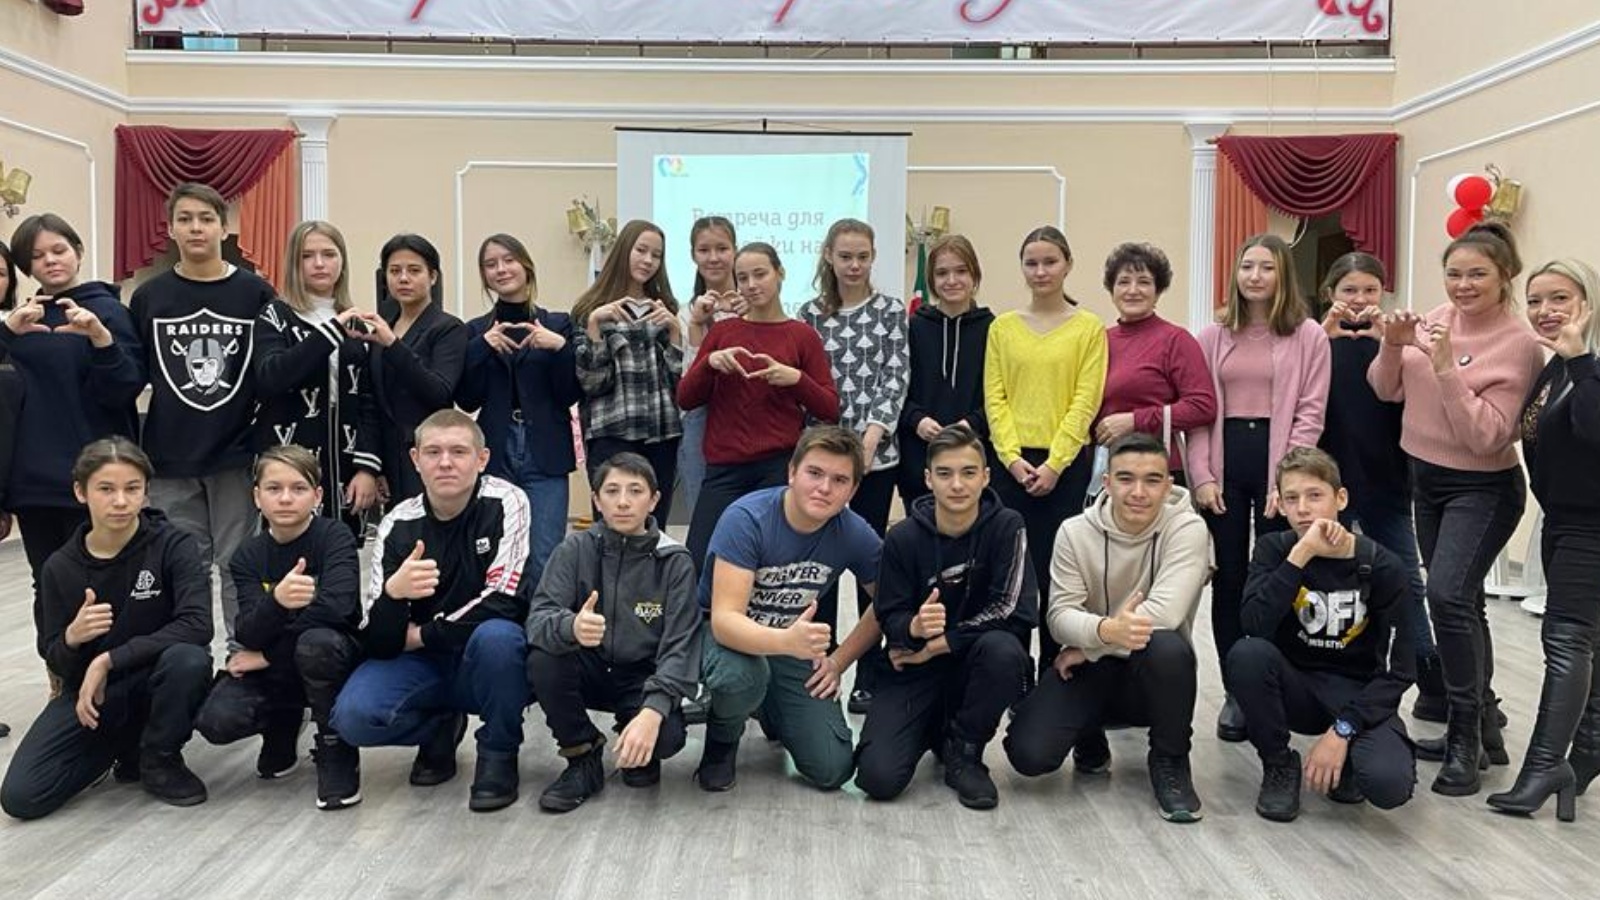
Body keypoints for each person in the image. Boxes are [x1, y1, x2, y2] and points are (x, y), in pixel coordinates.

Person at [1370, 221, 1543, 795]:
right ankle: (1485, 723)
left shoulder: (1519, 344)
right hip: (1426, 479)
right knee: (1464, 602)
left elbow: (1486, 436)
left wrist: (1446, 365)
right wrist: (1394, 345)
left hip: (1483, 488)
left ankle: (1464, 734)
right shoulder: (1434, 318)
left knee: (1445, 596)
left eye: (1477, 274)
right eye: (1454, 273)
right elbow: (1386, 389)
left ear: (1505, 276)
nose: (1463, 285)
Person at [329, 409, 533, 813]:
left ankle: (498, 753)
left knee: (499, 636)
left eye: (459, 451)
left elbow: (506, 601)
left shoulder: (507, 501)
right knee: (353, 718)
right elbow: (378, 640)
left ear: (482, 459)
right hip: (421, 664)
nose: (445, 462)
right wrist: (393, 594)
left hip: (478, 657)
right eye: (433, 452)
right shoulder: (397, 522)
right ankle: (439, 727)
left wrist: (423, 633)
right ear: (415, 459)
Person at [1, 438, 213, 820]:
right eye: (106, 489)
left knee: (189, 660)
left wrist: (108, 659)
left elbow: (197, 625)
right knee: (22, 796)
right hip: (95, 695)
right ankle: (118, 747)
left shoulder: (174, 544)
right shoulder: (59, 567)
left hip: (156, 677)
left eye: (132, 488)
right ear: (80, 492)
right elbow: (56, 657)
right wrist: (72, 638)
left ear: (146, 492)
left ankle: (159, 758)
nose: (120, 501)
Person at [1003, 432, 1211, 823]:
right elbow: (1059, 616)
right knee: (1029, 755)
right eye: (1126, 478)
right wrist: (1106, 634)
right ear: (1107, 482)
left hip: (1148, 669)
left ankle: (1170, 760)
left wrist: (1094, 645)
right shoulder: (1074, 531)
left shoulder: (1188, 528)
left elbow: (1165, 614)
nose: (1139, 492)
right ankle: (1088, 732)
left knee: (1168, 647)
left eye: (1152, 480)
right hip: (1092, 668)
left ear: (1169, 485)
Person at [1189, 234, 1330, 743]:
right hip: (1225, 463)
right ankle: (1236, 690)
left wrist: (1287, 483)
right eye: (1247, 266)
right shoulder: (1211, 336)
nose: (1254, 276)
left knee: (1276, 577)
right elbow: (1200, 412)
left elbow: (1310, 410)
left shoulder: (1309, 335)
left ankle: (1273, 685)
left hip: (1281, 465)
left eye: (1266, 267)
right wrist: (1202, 476)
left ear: (1283, 274)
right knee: (1229, 579)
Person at [1229, 447, 1417, 822]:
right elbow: (1253, 624)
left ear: (1340, 498)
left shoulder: (1382, 565)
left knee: (1388, 785)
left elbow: (1400, 671)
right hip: (1296, 687)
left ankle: (1347, 762)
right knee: (1247, 655)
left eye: (1314, 495)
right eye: (1291, 498)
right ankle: (1279, 765)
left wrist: (1343, 730)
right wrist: (1300, 555)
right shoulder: (1273, 550)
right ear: (1280, 505)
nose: (1303, 509)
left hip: (1357, 692)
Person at [856, 424, 1035, 809]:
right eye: (945, 473)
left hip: (974, 665)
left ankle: (965, 752)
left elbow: (1012, 610)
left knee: (1005, 651)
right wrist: (914, 627)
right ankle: (932, 729)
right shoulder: (902, 537)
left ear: (985, 476)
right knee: (877, 778)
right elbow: (888, 615)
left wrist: (940, 644)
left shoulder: (1007, 526)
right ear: (928, 479)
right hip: (914, 670)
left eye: (968, 472)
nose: (957, 484)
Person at [694, 425, 881, 792]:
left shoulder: (854, 532)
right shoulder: (746, 519)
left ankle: (768, 704)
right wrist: (787, 642)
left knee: (832, 767)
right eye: (814, 473)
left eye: (839, 480)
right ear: (792, 472)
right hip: (721, 638)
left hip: (788, 643)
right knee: (741, 677)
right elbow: (725, 622)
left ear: (853, 490)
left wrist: (838, 661)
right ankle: (722, 741)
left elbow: (889, 603)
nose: (824, 488)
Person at [129, 183, 277, 644]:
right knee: (182, 567)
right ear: (170, 229)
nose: (196, 228)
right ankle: (184, 658)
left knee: (239, 563)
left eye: (206, 218)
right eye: (186, 219)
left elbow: (270, 373)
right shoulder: (149, 297)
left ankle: (243, 654)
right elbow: (133, 373)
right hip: (168, 457)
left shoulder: (255, 292)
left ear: (224, 227)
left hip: (235, 455)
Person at [1487, 259, 1600, 821]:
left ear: (1589, 303)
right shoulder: (1555, 366)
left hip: (1592, 526)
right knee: (1588, 642)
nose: (1545, 311)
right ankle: (1589, 749)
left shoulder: (1584, 364)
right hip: (1562, 520)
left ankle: (1546, 765)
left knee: (1566, 640)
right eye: (1535, 300)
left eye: (1560, 298)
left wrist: (1581, 360)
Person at [525, 453, 699, 813]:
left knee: (667, 738)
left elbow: (681, 648)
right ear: (596, 499)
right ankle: (582, 754)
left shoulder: (675, 561)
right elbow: (538, 620)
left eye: (635, 491)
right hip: (588, 667)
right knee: (543, 659)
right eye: (612, 491)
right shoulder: (574, 549)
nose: (622, 502)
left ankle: (633, 730)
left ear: (654, 500)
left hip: (641, 677)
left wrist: (652, 712)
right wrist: (571, 626)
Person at [193, 446, 364, 811]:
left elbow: (338, 610)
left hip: (331, 658)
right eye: (274, 488)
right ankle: (282, 722)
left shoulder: (334, 537)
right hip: (280, 666)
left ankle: (335, 746)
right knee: (217, 719)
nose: (285, 498)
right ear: (257, 497)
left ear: (317, 495)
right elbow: (248, 632)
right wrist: (278, 601)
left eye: (298, 488)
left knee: (317, 644)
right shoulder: (247, 555)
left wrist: (269, 655)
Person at [0, 214, 143, 646]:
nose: (50, 261)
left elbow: (125, 388)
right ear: (26, 268)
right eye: (37, 256)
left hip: (99, 476)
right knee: (48, 583)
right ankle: (60, 672)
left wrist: (100, 338)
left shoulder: (110, 312)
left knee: (109, 580)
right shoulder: (20, 321)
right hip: (35, 482)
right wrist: (7, 333)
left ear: (78, 252)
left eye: (58, 250)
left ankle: (113, 671)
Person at [1315, 253, 1442, 722]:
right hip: (1330, 478)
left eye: (1369, 290)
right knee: (1328, 581)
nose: (1360, 299)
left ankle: (1432, 679)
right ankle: (1330, 677)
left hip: (1387, 477)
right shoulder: (1315, 342)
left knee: (1407, 578)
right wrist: (1322, 337)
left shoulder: (1397, 342)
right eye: (1349, 290)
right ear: (1331, 293)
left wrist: (1392, 343)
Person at [985, 225, 1107, 681]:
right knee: (1013, 572)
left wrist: (1055, 463)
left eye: (1050, 262)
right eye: (1031, 263)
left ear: (1068, 265)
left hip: (1066, 467)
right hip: (1010, 466)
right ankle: (1014, 673)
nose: (1040, 271)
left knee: (1059, 574)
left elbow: (1085, 401)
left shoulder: (1089, 328)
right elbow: (995, 398)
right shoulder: (1003, 327)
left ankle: (1054, 673)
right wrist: (1011, 458)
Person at [800, 219, 909, 714]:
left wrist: (869, 439)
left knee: (870, 566)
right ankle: (813, 669)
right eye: (845, 256)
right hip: (823, 460)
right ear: (829, 255)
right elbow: (807, 384)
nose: (854, 265)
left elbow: (895, 377)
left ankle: (869, 672)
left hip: (875, 461)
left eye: (863, 256)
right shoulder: (810, 314)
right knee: (817, 569)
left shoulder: (890, 311)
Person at [678, 242, 840, 572]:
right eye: (743, 278)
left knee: (771, 566)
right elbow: (686, 398)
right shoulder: (723, 332)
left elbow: (829, 408)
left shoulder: (802, 336)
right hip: (723, 469)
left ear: (780, 273)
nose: (751, 285)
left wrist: (796, 378)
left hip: (777, 468)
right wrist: (709, 363)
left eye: (760, 274)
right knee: (700, 562)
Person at [456, 233, 581, 589]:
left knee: (545, 554)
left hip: (546, 449)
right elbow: (467, 400)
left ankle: (543, 621)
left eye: (508, 260)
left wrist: (560, 349)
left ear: (526, 267)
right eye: (490, 264)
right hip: (496, 448)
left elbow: (570, 393)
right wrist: (480, 348)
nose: (501, 269)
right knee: (498, 552)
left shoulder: (558, 323)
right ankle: (500, 619)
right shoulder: (474, 330)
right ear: (484, 276)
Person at [251, 221, 382, 534]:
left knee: (341, 550)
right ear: (294, 264)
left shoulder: (356, 321)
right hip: (289, 461)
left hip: (346, 463)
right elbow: (272, 376)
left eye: (329, 254)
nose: (319, 263)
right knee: (289, 548)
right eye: (307, 256)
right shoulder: (275, 315)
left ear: (342, 261)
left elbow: (369, 400)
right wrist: (330, 333)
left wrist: (367, 467)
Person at [571, 219, 686, 525]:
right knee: (610, 526)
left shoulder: (665, 307)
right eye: (641, 250)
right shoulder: (590, 309)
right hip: (610, 433)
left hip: (662, 433)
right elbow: (591, 383)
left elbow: (679, 385)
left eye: (656, 255)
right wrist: (594, 327)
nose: (648, 260)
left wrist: (675, 334)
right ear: (624, 250)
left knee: (654, 524)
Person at [344, 233, 469, 504]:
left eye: (414, 270)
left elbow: (439, 392)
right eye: (394, 271)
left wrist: (392, 344)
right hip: (388, 460)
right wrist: (372, 465)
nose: (403, 278)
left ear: (432, 277)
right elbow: (371, 400)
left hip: (429, 456)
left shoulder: (448, 328)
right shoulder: (383, 325)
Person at [1091, 242, 1216, 482]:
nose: (1133, 290)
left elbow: (1203, 405)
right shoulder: (1099, 341)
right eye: (1123, 282)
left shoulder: (1176, 340)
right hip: (1106, 471)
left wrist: (1135, 421)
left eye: (1144, 282)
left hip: (1157, 472)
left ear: (1158, 291)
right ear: (1111, 290)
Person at [897, 234, 995, 506]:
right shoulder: (913, 327)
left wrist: (974, 423)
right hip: (919, 459)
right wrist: (916, 419)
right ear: (931, 279)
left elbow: (1003, 394)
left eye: (961, 271)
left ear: (975, 275)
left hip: (975, 458)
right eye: (942, 273)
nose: (951, 280)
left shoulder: (994, 329)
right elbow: (895, 386)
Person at [678, 215, 742, 523]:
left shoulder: (757, 305)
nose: (713, 258)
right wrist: (697, 325)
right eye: (704, 250)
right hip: (701, 420)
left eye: (722, 248)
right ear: (693, 255)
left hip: (749, 417)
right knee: (703, 520)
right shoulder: (682, 313)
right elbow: (690, 383)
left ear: (735, 251)